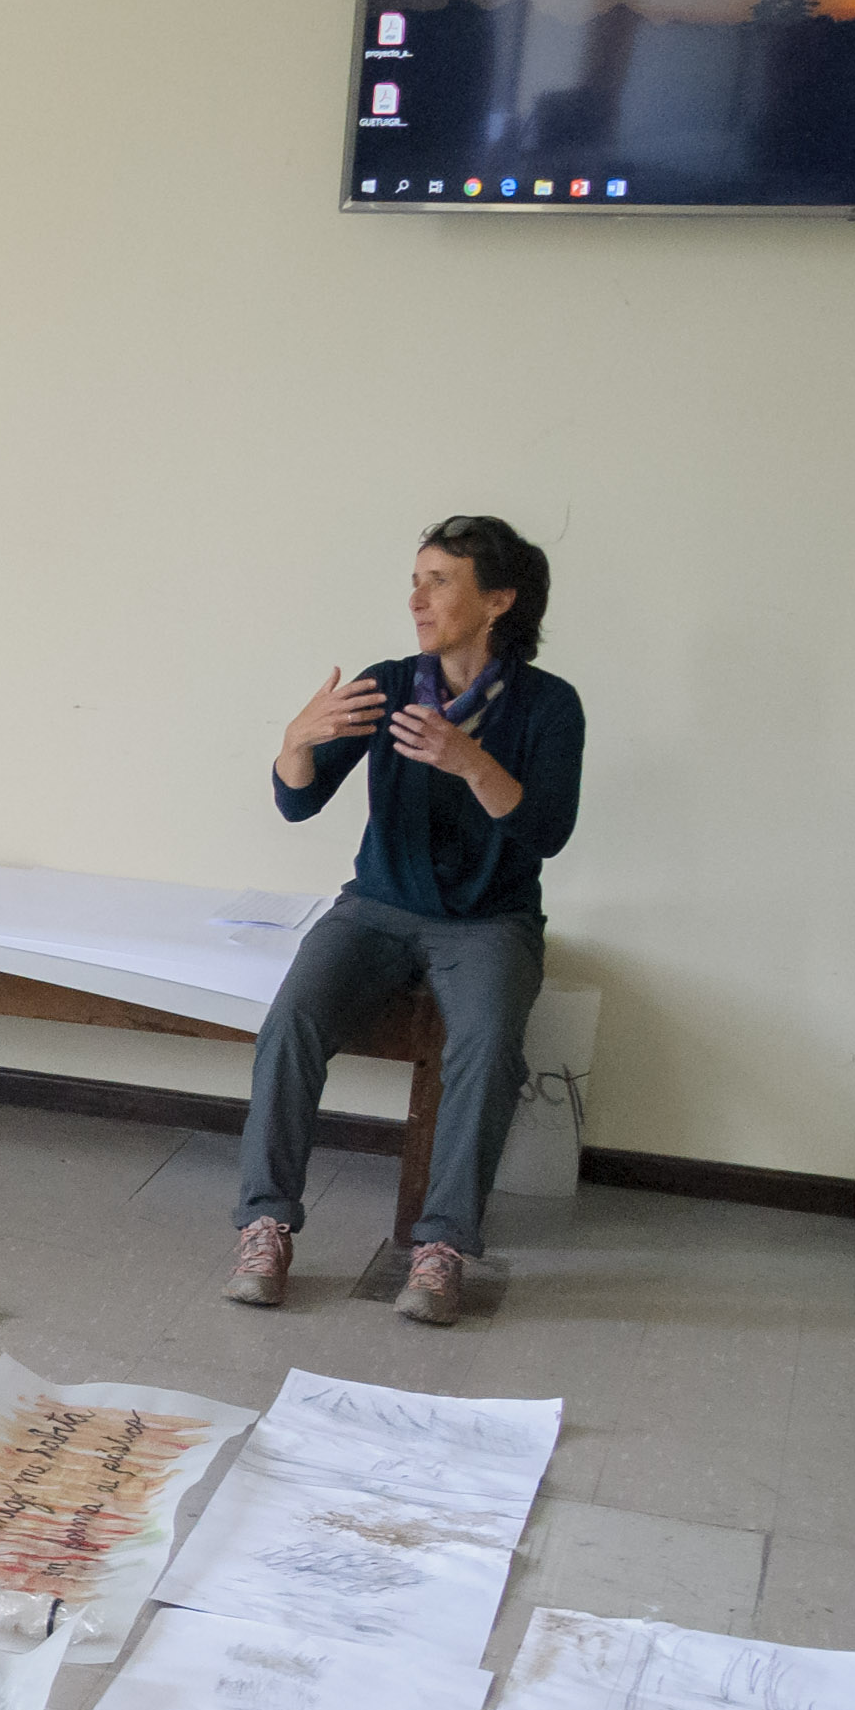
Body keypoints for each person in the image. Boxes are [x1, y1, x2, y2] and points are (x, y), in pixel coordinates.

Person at [231, 513, 584, 1328]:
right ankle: (264, 1225)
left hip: (489, 921)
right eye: (415, 581)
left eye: (438, 581)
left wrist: (470, 761)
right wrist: (294, 742)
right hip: (377, 906)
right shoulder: (390, 684)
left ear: (497, 600)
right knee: (290, 1020)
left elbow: (546, 831)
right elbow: (298, 801)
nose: (416, 599)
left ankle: (441, 1247)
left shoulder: (548, 705)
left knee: (488, 1045)